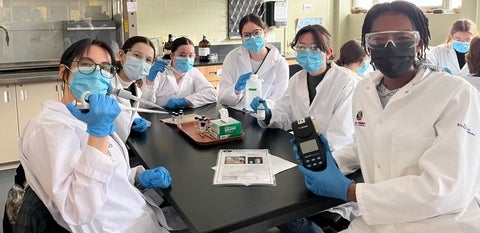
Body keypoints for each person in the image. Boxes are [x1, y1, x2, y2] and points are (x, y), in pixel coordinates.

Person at [294, 1, 480, 232]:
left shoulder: (456, 94)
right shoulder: (365, 89)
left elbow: (447, 189)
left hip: (441, 223)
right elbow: (369, 139)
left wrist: (349, 191)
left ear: (419, 41)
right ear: (367, 45)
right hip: (377, 222)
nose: (390, 46)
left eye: (403, 38)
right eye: (378, 40)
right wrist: (329, 161)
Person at [18, 38, 184, 232]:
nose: (97, 74)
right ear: (64, 72)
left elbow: (108, 178)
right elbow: (77, 209)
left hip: (139, 215)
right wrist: (98, 133)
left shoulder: (87, 117)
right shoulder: (47, 128)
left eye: (105, 68)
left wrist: (137, 177)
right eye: (87, 65)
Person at [251, 24, 359, 151]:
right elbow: (285, 115)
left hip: (335, 159)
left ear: (328, 53)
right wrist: (268, 114)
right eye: (301, 47)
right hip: (305, 152)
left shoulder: (346, 83)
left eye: (314, 48)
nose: (307, 53)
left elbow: (340, 139)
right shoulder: (296, 80)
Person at [218, 13, 289, 111]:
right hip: (236, 114)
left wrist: (263, 105)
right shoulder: (232, 58)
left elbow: (280, 100)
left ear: (265, 32)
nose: (252, 38)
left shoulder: (280, 63)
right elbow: (222, 97)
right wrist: (236, 90)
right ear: (242, 38)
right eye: (247, 35)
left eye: (256, 33)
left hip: (264, 117)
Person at [141, 37, 216, 109]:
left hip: (185, 116)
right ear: (172, 55)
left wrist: (186, 101)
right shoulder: (159, 72)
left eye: (190, 55)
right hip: (158, 117)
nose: (187, 59)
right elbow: (144, 105)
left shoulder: (193, 72)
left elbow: (212, 94)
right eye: (182, 55)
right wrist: (149, 82)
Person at [112, 35, 155, 142]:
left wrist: (136, 118)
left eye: (148, 60)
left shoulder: (135, 87)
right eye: (137, 56)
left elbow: (128, 111)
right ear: (121, 55)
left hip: (122, 144)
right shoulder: (107, 85)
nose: (142, 63)